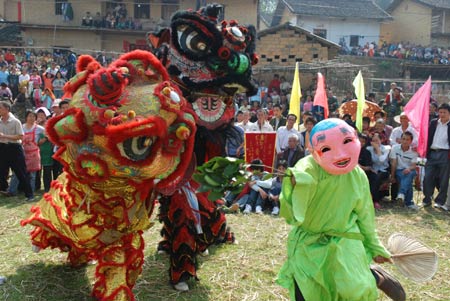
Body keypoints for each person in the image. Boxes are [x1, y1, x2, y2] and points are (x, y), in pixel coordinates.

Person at [277, 118, 404, 301]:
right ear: (313, 152)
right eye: (327, 149)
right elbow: (292, 212)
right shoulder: (307, 168)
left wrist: (375, 247)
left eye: (347, 142)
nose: (340, 154)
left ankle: (374, 275)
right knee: (307, 292)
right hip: (309, 245)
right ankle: (369, 273)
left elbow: (365, 215)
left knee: (353, 291)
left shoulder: (358, 175)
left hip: (345, 241)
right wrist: (296, 186)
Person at [0, 101, 34, 201]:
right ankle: (5, 189)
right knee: (1, 171)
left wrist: (4, 136)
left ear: (7, 109)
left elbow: (20, 136)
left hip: (14, 148)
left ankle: (29, 194)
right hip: (2, 147)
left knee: (21, 172)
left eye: (1, 108)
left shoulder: (15, 121)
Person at [5, 111, 44, 197]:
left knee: (32, 175)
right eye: (29, 116)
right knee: (17, 172)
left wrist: (42, 141)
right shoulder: (21, 127)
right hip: (22, 153)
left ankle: (31, 192)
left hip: (34, 153)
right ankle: (12, 191)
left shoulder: (39, 128)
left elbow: (48, 133)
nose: (31, 118)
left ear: (36, 118)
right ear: (26, 117)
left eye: (33, 116)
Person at [421, 103, 450, 209]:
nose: (441, 114)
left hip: (445, 154)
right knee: (427, 177)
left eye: (444, 112)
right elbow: (427, 137)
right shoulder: (433, 123)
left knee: (443, 179)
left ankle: (440, 201)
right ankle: (427, 199)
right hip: (432, 153)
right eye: (440, 112)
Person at [390, 131, 419, 210]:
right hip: (398, 170)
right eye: (403, 139)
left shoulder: (413, 152)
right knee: (407, 180)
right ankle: (409, 202)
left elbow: (413, 165)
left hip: (409, 170)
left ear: (411, 141)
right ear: (400, 139)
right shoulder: (395, 148)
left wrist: (408, 169)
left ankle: (401, 195)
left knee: (409, 174)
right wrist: (392, 176)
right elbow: (394, 163)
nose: (405, 141)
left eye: (407, 140)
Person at [367, 132, 391, 209]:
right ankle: (370, 199)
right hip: (373, 169)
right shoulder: (369, 149)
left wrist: (377, 149)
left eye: (377, 140)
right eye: (373, 141)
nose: (375, 142)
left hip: (384, 170)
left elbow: (381, 160)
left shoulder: (386, 148)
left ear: (381, 140)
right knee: (372, 177)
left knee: (377, 177)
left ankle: (374, 200)